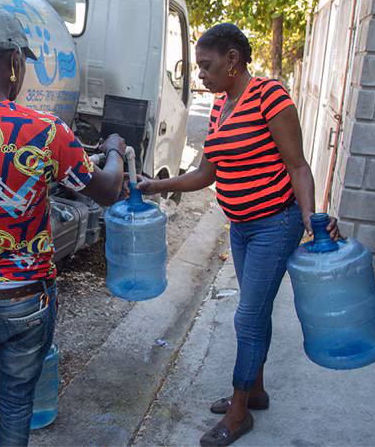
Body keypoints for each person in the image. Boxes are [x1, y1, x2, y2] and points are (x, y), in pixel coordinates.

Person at [0, 7, 127, 447]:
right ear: (16, 62)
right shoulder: (45, 131)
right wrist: (116, 149)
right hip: (24, 299)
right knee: (15, 401)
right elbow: (107, 191)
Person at [136, 23, 343, 446]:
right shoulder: (219, 105)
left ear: (233, 60)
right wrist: (159, 185)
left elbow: (297, 166)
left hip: (276, 223)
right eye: (198, 69)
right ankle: (257, 391)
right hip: (242, 227)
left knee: (247, 316)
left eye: (207, 66)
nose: (201, 76)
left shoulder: (270, 96)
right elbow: (209, 172)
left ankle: (238, 411)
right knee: (257, 310)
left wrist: (310, 217)